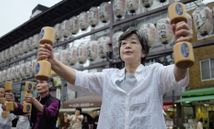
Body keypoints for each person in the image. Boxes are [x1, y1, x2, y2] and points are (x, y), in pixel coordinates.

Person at [38, 20, 192, 129]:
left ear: (144, 52)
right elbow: (79, 78)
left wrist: (182, 48)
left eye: (133, 42)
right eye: (123, 44)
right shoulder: (108, 77)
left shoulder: (155, 73)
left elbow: (177, 74)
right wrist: (53, 62)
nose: (127, 46)